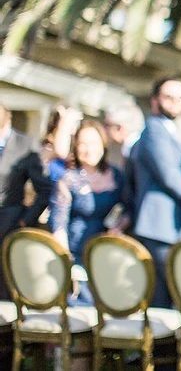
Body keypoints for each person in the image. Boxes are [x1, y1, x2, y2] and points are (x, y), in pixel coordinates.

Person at [128, 77, 181, 308]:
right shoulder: (154, 132)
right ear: (155, 100)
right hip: (159, 228)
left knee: (171, 295)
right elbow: (170, 176)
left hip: (172, 227)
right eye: (169, 97)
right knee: (165, 297)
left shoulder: (169, 131)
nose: (176, 103)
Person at [50, 120, 126, 305]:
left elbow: (128, 207)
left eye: (93, 143)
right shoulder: (68, 179)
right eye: (83, 144)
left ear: (103, 145)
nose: (89, 149)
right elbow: (59, 223)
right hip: (77, 254)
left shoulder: (116, 175)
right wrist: (66, 262)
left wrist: (120, 226)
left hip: (107, 253)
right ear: (75, 147)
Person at [0, 102, 53, 300]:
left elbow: (45, 188)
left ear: (8, 117)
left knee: (6, 284)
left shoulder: (25, 145)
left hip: (9, 223)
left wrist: (25, 220)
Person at [103, 102, 145, 169]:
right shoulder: (130, 150)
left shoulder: (138, 151)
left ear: (119, 128)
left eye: (107, 125)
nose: (104, 129)